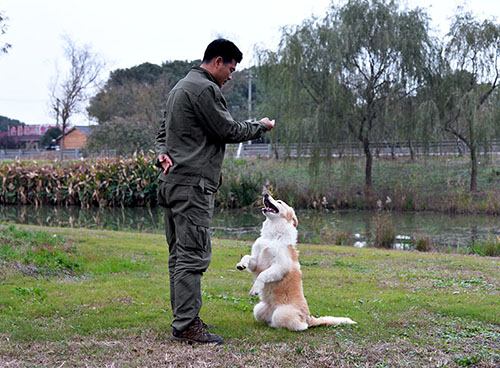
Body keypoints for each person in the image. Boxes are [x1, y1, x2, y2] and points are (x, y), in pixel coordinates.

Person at [155, 38, 275, 344]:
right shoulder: (204, 89)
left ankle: (184, 319)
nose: (231, 76)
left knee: (179, 256)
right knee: (192, 256)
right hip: (192, 186)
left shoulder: (180, 87)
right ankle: (186, 325)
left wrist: (160, 152)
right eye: (231, 69)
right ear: (217, 61)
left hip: (171, 184)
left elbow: (162, 133)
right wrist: (260, 125)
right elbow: (227, 130)